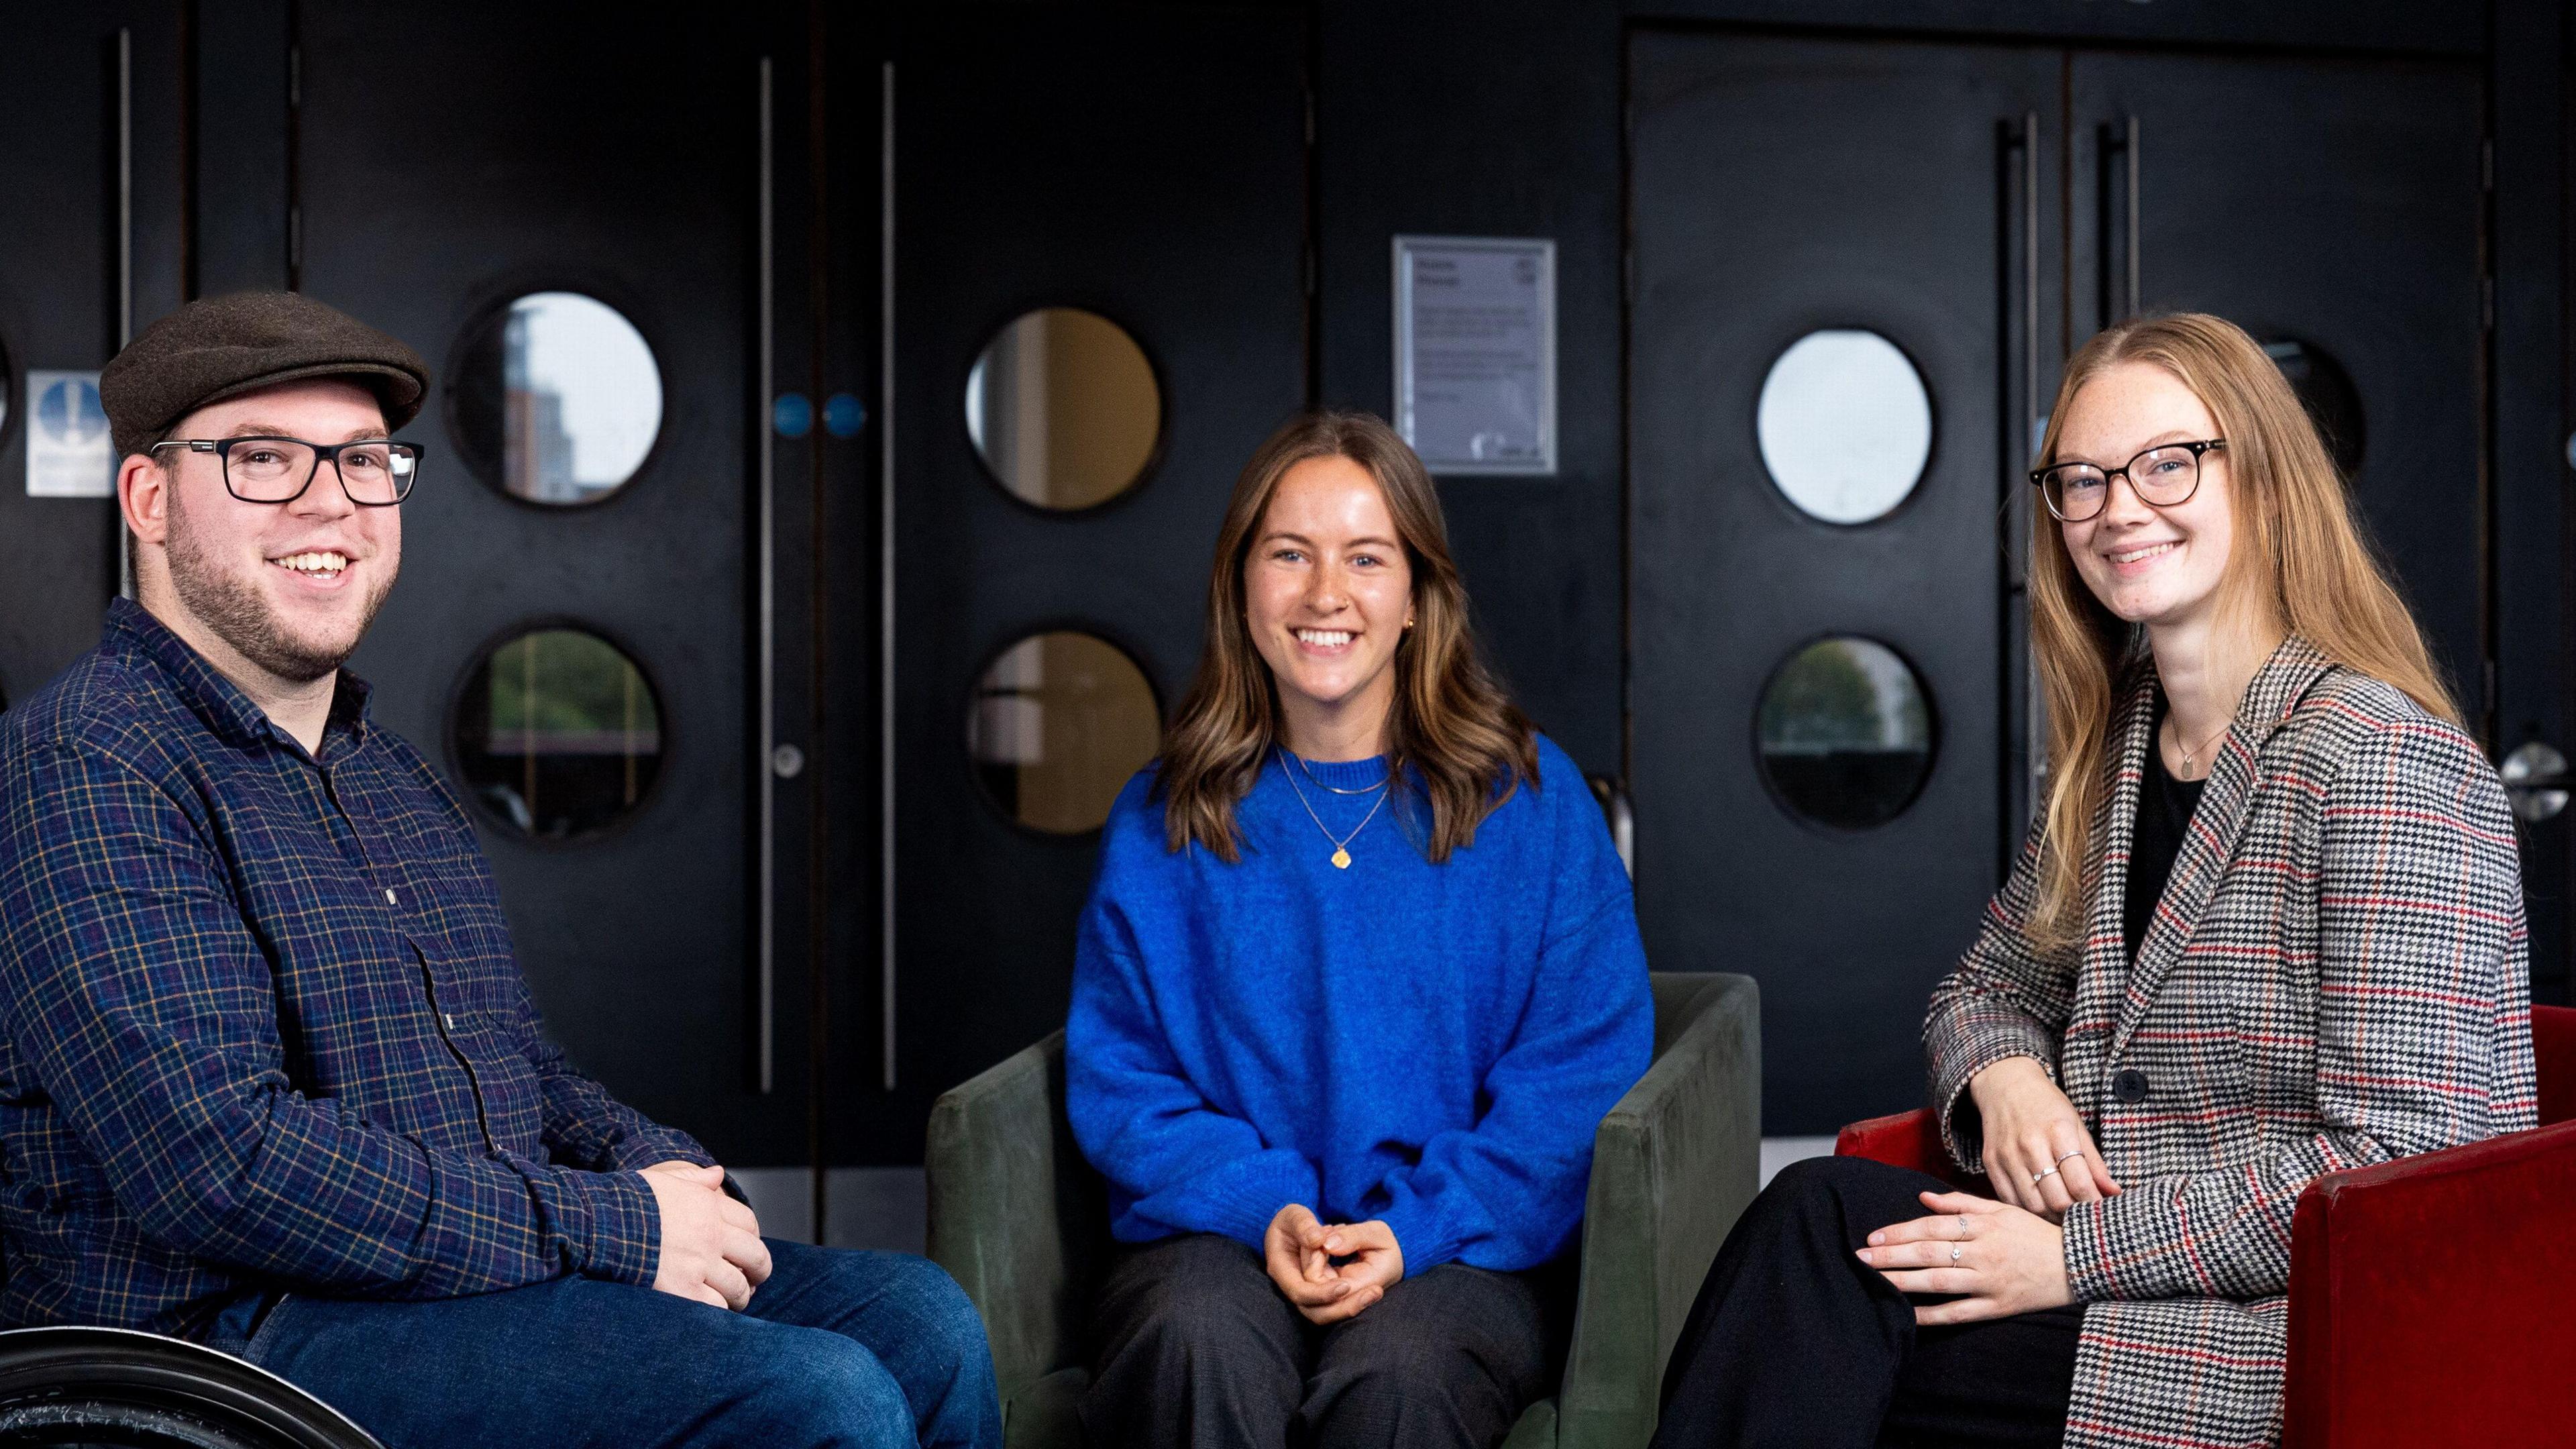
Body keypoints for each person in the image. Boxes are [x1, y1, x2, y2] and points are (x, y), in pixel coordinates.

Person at [0, 291, 1000, 1449]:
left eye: (363, 460)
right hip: (239, 1340)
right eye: (264, 459)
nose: (330, 499)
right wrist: (617, 1227)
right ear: (151, 499)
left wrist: (658, 1168)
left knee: (920, 1319)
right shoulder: (87, 763)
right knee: (817, 1395)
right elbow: (219, 1167)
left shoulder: (388, 779)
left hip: (457, 1274)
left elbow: (514, 1067)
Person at [1652, 313, 2534, 1449]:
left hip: (2289, 1331)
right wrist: (2009, 1079)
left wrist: (2072, 1256)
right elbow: (1982, 990)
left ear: (2263, 476)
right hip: (2114, 1280)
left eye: (2168, 462)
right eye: (2081, 479)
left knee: (1821, 1291)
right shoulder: (2126, 746)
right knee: (1816, 1233)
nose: (2118, 507)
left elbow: (2400, 1169)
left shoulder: (2380, 763)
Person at [1065, 411, 1652, 1449]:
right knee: (1195, 1341)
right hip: (1219, 1235)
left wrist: (1412, 1228)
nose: (1325, 595)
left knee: (1399, 1376)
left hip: (1461, 1249)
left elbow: (1579, 1076)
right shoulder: (1165, 814)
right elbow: (1124, 1081)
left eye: (1366, 559)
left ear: (1421, 596)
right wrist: (1265, 1207)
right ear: (1242, 587)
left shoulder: (1534, 802)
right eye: (1289, 554)